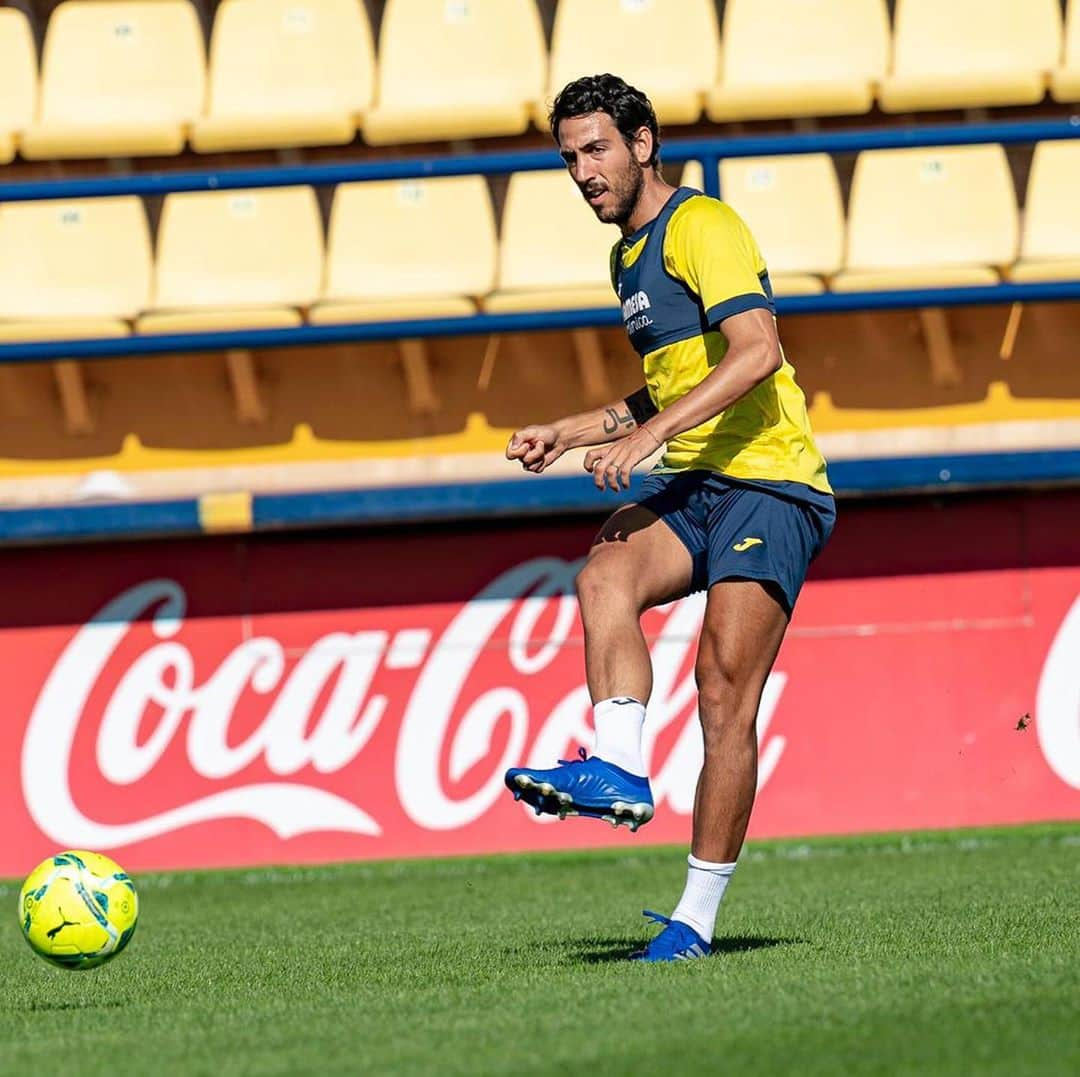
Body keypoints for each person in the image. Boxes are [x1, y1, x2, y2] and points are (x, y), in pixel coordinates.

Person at [503, 74, 836, 962]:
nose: (583, 171)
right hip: (699, 481)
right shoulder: (626, 257)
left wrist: (650, 435)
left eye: (597, 148)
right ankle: (618, 762)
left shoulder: (703, 226)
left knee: (724, 691)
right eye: (570, 156)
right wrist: (574, 430)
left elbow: (758, 348)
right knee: (603, 572)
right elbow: (670, 382)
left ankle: (694, 918)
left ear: (643, 143)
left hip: (771, 482)